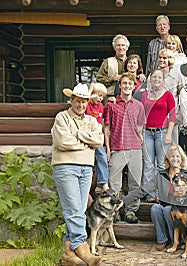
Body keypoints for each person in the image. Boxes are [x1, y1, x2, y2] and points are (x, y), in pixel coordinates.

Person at [52, 83, 104, 266]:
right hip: (65, 167)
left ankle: (68, 254)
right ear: (71, 101)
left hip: (86, 168)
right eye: (77, 101)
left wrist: (79, 135)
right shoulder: (62, 117)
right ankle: (82, 247)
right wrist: (86, 143)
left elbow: (99, 140)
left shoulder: (91, 121)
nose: (81, 105)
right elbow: (62, 142)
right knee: (73, 210)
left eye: (84, 102)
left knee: (79, 210)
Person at [103, 72, 146, 224]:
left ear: (134, 87)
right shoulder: (111, 105)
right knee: (114, 183)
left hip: (134, 147)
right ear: (120, 85)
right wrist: (108, 149)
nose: (127, 86)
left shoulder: (139, 106)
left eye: (130, 84)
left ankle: (130, 211)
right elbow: (106, 129)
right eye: (125, 83)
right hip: (117, 147)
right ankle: (114, 211)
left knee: (135, 182)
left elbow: (140, 128)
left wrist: (138, 141)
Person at [139, 145, 187, 251]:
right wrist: (126, 200)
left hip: (181, 208)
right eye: (172, 156)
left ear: (182, 159)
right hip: (165, 205)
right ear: (168, 159)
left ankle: (175, 241)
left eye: (178, 156)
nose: (175, 159)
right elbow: (144, 190)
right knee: (155, 208)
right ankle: (162, 239)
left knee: (168, 210)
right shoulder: (161, 175)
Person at [141, 69, 176, 202]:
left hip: (162, 132)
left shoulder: (168, 95)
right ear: (150, 79)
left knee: (162, 164)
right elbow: (141, 114)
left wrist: (169, 133)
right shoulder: (145, 95)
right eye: (154, 77)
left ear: (163, 79)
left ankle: (162, 193)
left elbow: (172, 116)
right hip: (147, 132)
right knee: (148, 164)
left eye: (159, 78)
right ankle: (150, 194)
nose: (156, 80)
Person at [86, 82, 110, 193]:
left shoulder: (100, 106)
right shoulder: (87, 105)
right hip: (87, 136)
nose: (100, 98)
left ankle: (103, 182)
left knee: (102, 156)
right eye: (98, 95)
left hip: (97, 137)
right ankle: (88, 184)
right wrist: (90, 92)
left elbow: (106, 116)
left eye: (102, 96)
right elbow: (84, 102)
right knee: (88, 159)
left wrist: (111, 101)